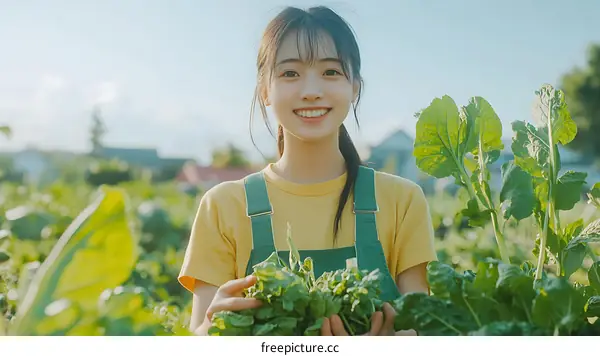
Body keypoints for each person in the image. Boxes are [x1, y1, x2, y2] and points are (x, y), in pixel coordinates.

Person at [178, 5, 438, 336]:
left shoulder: (402, 201)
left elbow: (420, 332)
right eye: (290, 73)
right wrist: (209, 334)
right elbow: (199, 335)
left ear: (355, 86)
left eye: (331, 72)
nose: (311, 90)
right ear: (264, 90)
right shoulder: (224, 206)